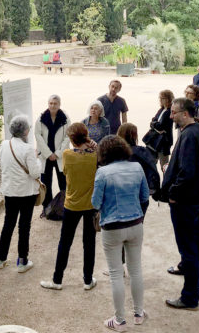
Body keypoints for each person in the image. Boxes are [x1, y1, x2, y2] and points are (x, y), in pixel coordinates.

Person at [162, 97, 199, 310]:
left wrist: (174, 193)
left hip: (185, 202)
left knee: (189, 249)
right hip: (197, 199)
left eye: (174, 112)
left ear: (185, 113)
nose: (171, 116)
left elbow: (187, 171)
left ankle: (189, 297)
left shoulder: (188, 135)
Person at [92, 135, 149, 331]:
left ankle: (119, 320)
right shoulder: (137, 167)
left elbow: (95, 203)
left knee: (116, 274)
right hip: (135, 222)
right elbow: (144, 196)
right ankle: (139, 313)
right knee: (136, 270)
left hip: (112, 226)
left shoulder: (103, 172)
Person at [40, 122, 98, 291]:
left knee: (65, 242)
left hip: (72, 204)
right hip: (91, 204)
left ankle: (57, 280)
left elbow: (64, 172)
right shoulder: (94, 155)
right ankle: (88, 280)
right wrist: (92, 144)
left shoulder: (67, 155)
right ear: (86, 136)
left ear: (72, 140)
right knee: (89, 243)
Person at [0, 115, 41, 273]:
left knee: (8, 224)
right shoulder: (28, 149)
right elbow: (35, 173)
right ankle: (22, 261)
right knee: (24, 226)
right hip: (26, 193)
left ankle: (1, 258)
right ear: (25, 131)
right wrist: (37, 160)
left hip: (9, 191)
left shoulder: (4, 145)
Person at [35, 95, 71, 218]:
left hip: (59, 156)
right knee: (46, 183)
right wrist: (48, 153)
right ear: (48, 104)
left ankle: (65, 208)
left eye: (55, 103)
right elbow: (38, 136)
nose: (52, 105)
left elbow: (68, 137)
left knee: (63, 182)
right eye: (50, 103)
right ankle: (47, 208)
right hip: (46, 156)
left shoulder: (65, 119)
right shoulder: (41, 118)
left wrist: (57, 153)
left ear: (59, 104)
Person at [119, 123, 160, 207]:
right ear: (134, 136)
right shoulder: (142, 152)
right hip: (139, 193)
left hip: (119, 194)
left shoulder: (112, 152)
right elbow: (152, 170)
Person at [148, 89, 174, 172]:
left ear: (168, 99)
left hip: (164, 141)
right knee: (151, 162)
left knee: (164, 164)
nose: (160, 100)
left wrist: (155, 124)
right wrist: (155, 124)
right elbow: (153, 120)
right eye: (160, 98)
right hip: (156, 140)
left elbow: (161, 126)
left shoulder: (169, 111)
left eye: (162, 98)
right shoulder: (161, 109)